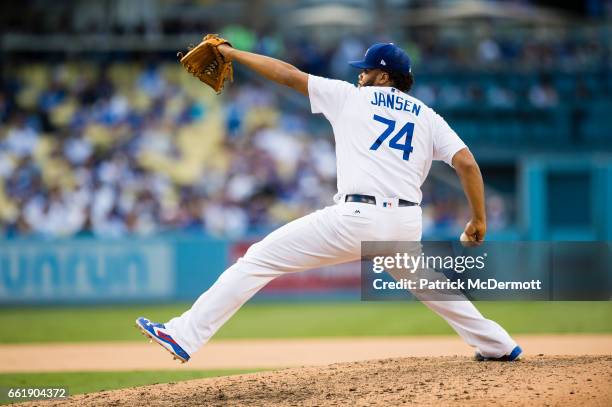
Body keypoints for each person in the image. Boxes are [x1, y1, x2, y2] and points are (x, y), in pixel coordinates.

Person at [136, 41, 522, 363]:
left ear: (384, 76)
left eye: (367, 69)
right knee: (432, 287)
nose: (360, 73)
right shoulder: (428, 116)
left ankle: (184, 335)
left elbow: (288, 74)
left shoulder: (350, 97)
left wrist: (235, 54)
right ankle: (498, 344)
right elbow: (467, 162)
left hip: (357, 218)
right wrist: (478, 219)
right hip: (405, 223)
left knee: (258, 260)